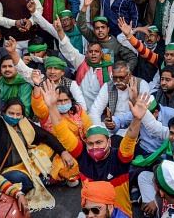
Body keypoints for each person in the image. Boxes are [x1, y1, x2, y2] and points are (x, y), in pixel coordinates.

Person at [44, 84, 149, 216]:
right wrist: (52, 107)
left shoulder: (120, 158)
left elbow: (130, 137)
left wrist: (137, 119)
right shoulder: (82, 156)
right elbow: (62, 131)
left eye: (99, 142)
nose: (95, 147)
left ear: (109, 142)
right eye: (90, 144)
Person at [0, 70, 71, 211]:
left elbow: (46, 136)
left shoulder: (24, 123)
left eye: (18, 114)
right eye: (11, 113)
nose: (15, 116)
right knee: (22, 179)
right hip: (7, 170)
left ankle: (42, 178)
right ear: (3, 112)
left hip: (27, 163)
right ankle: (42, 180)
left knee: (49, 149)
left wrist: (63, 152)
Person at [88, 61, 150, 135]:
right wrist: (99, 133)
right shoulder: (108, 86)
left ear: (129, 75)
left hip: (135, 128)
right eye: (115, 77)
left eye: (121, 78)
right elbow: (95, 111)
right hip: (113, 128)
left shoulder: (141, 85)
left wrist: (134, 99)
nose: (117, 81)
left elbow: (143, 112)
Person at [74, 11, 138, 72]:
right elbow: (81, 25)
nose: (100, 30)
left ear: (108, 29)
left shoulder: (116, 44)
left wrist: (123, 71)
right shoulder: (92, 37)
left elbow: (133, 58)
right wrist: (85, 7)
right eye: (97, 28)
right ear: (94, 30)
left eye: (103, 27)